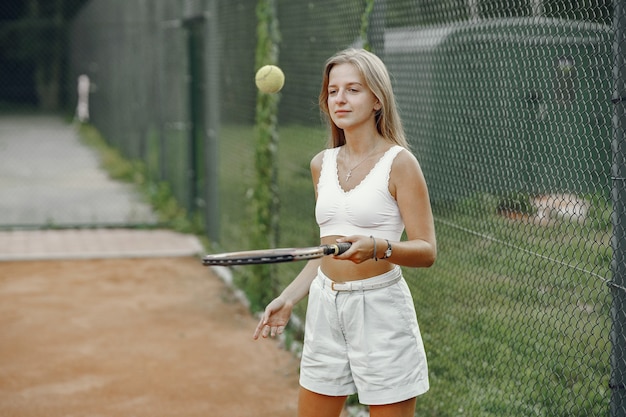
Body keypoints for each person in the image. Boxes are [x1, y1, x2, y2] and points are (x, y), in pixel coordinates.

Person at [253, 48, 437, 417]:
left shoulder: (400, 163)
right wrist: (289, 298)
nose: (340, 98)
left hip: (380, 310)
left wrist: (377, 247)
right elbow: (327, 251)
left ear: (377, 100)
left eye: (353, 89)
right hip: (325, 305)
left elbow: (427, 250)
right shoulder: (322, 163)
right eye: (333, 90)